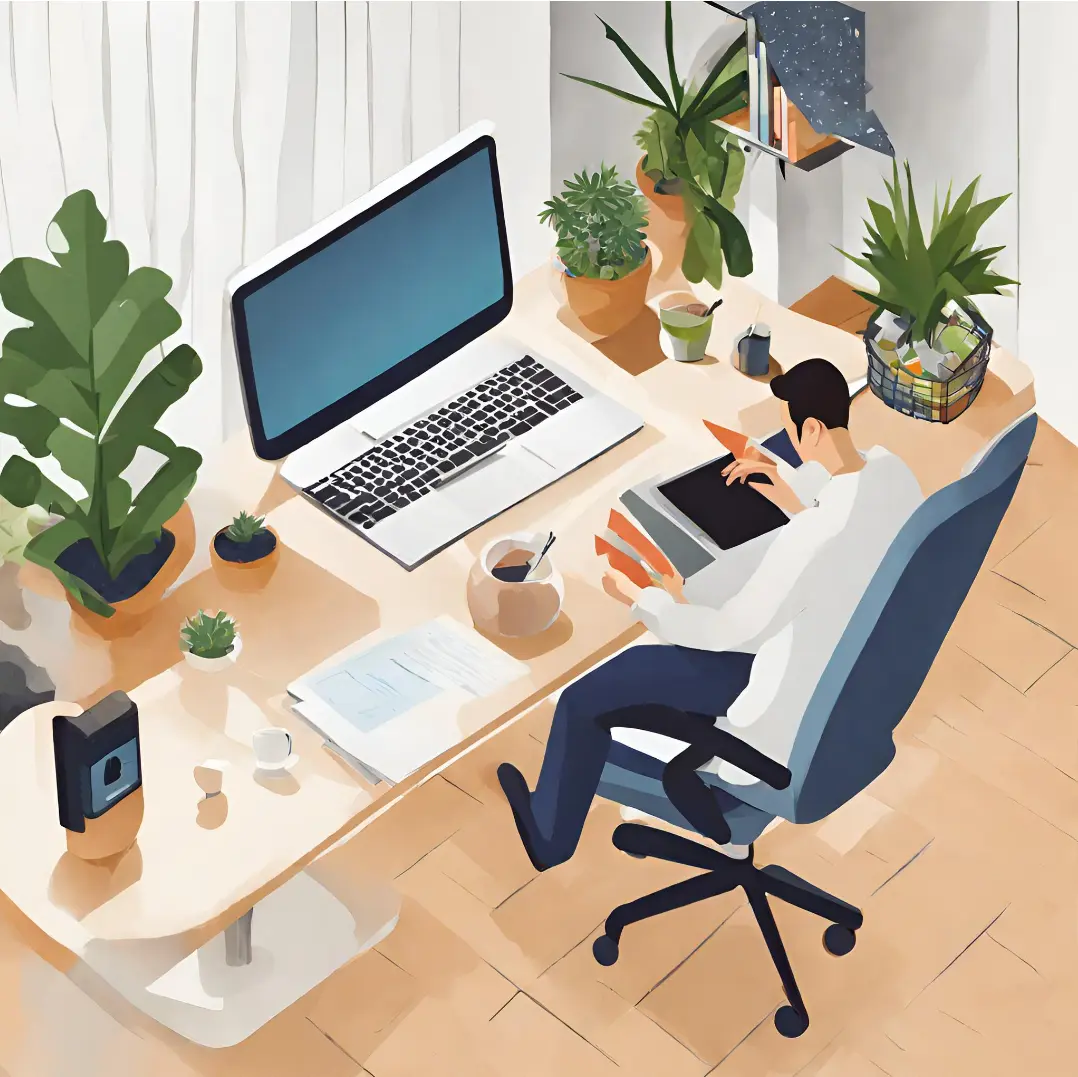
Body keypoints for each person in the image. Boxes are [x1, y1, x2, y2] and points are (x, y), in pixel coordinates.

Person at [498, 357, 924, 871]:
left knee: (582, 698)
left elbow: (734, 630)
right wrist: (791, 500)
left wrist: (641, 598)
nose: (790, 441)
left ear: (811, 429)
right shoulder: (892, 474)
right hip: (844, 682)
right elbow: (848, 542)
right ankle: (614, 770)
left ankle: (549, 840)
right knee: (677, 638)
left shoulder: (814, 538)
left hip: (773, 694)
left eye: (791, 430)